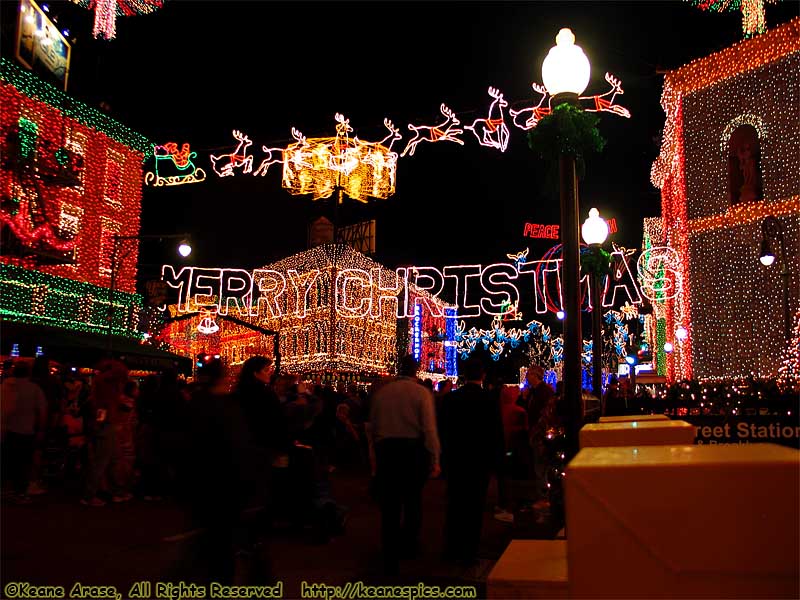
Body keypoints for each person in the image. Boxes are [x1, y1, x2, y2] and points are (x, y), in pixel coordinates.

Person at [369, 355, 440, 575]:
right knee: (412, 501)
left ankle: (389, 552)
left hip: (387, 451)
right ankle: (409, 546)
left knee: (389, 504)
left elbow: (373, 426)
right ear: (415, 371)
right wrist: (435, 457)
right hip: (411, 451)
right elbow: (428, 429)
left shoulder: (382, 393)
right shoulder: (421, 393)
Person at [438, 357, 505, 567]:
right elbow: (496, 432)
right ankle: (469, 552)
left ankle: (451, 549)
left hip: (456, 459)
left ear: (464, 376)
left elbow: (443, 430)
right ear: (482, 375)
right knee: (475, 507)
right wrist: (498, 459)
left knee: (455, 503)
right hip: (479, 461)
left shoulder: (450, 399)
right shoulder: (489, 400)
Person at [82, 359, 129, 507]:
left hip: (106, 425)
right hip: (106, 426)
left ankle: (116, 492)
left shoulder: (102, 384)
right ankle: (89, 496)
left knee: (112, 459)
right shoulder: (107, 386)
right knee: (101, 462)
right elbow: (102, 408)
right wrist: (101, 423)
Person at [1, 361, 47, 504]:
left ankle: (4, 491)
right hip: (25, 431)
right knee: (22, 463)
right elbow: (42, 412)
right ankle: (19, 493)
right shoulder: (33, 389)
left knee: (5, 461)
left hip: (4, 431)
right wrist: (41, 430)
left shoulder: (3, 387)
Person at [495, 384, 530, 523]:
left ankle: (503, 503)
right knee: (514, 476)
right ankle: (514, 505)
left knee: (502, 478)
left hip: (501, 447)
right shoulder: (519, 411)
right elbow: (525, 430)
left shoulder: (497, 411)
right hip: (514, 447)